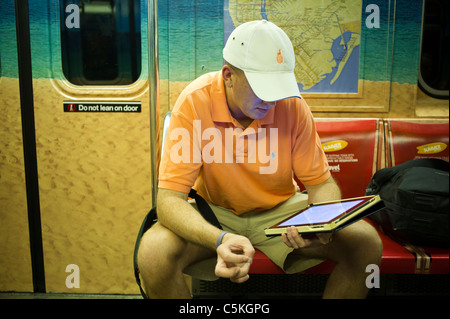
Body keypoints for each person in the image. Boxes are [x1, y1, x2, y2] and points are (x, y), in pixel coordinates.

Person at [137, 20, 382, 299]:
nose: (272, 99)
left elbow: (321, 184)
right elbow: (169, 201)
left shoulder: (292, 105)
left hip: (282, 213)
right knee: (153, 252)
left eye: (278, 86)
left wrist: (320, 224)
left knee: (365, 241)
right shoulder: (194, 102)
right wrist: (219, 239)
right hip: (215, 214)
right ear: (228, 75)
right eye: (262, 86)